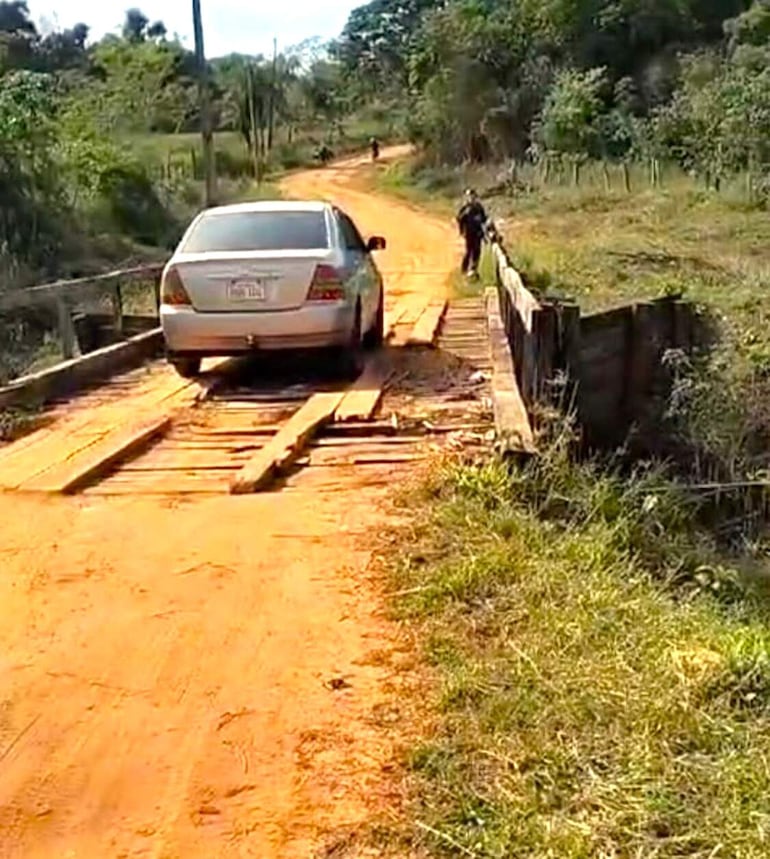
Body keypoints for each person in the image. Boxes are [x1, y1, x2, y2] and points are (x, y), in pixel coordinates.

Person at [456, 188, 487, 278]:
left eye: (473, 196)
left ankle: (474, 270)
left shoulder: (479, 207)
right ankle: (464, 270)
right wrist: (462, 230)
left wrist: (481, 222)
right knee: (469, 251)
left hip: (478, 233)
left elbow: (484, 219)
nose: (471, 198)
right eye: (469, 197)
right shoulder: (465, 208)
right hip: (469, 233)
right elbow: (459, 219)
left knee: (477, 252)